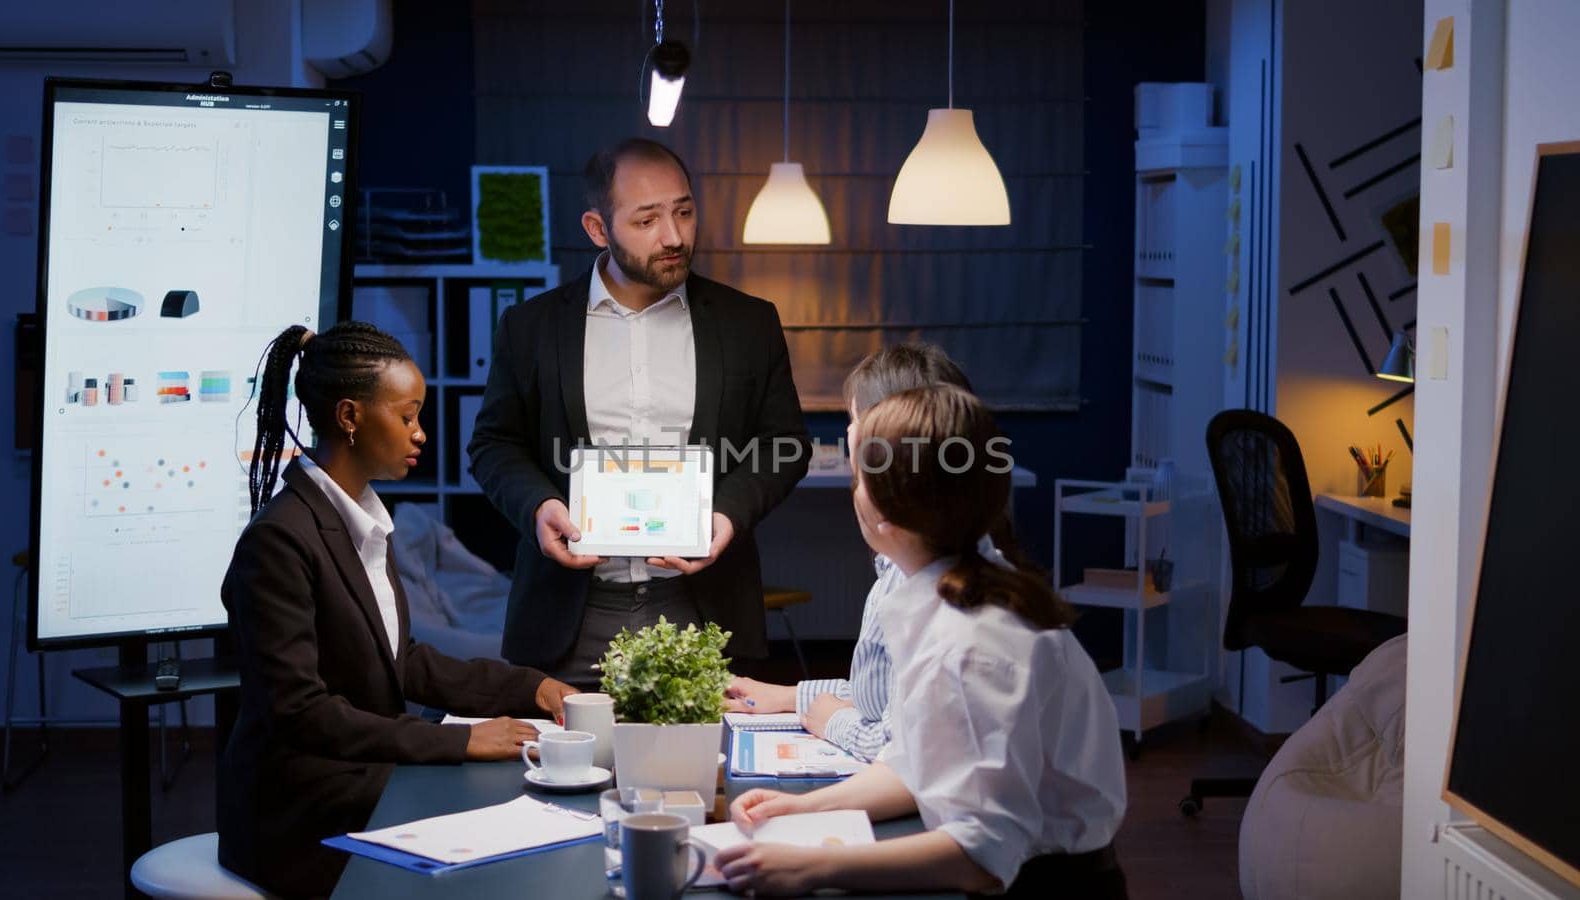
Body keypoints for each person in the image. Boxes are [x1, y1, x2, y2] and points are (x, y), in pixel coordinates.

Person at [716, 385, 1129, 899]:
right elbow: (914, 764)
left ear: (883, 517)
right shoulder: (953, 595)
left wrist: (813, 866)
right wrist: (800, 809)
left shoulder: (973, 643)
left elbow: (983, 855)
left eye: (860, 474)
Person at [218, 322, 577, 898]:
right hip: (299, 809)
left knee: (516, 790)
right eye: (406, 417)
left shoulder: (363, 521)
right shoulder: (279, 540)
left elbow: (401, 663)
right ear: (350, 416)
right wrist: (459, 741)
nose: (420, 435)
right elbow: (300, 712)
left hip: (359, 774)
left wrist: (531, 689)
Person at [467, 137, 811, 687]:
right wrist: (538, 508)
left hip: (704, 608)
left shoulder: (749, 323)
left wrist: (726, 515)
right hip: (568, 615)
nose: (673, 236)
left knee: (703, 773)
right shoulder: (530, 328)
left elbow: (783, 445)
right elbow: (493, 446)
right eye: (647, 220)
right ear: (597, 229)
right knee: (567, 771)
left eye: (683, 212)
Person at [723, 343, 1009, 761]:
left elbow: (901, 748)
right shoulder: (908, 565)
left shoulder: (944, 602)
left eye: (856, 419)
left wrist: (830, 720)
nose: (849, 434)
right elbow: (881, 698)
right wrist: (791, 698)